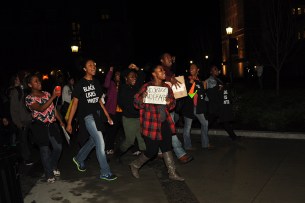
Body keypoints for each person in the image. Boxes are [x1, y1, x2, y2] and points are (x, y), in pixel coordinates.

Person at [129, 64, 184, 181]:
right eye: (160, 70)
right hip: (150, 125)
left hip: (164, 122)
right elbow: (136, 103)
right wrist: (143, 97)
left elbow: (173, 103)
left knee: (167, 147)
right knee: (152, 150)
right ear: (154, 74)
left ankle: (172, 173)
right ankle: (135, 164)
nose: (164, 72)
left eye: (163, 70)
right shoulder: (147, 86)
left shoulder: (166, 87)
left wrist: (169, 101)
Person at [66, 58, 117, 181]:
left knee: (94, 141)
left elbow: (99, 101)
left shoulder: (96, 83)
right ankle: (105, 171)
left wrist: (108, 116)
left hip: (98, 115)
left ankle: (78, 158)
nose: (93, 67)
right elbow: (75, 104)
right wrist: (69, 123)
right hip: (87, 117)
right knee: (100, 141)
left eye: (94, 65)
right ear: (85, 69)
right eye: (90, 65)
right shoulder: (80, 85)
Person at [25, 73, 64, 183]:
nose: (39, 83)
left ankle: (52, 165)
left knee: (58, 147)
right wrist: (53, 96)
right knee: (45, 150)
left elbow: (53, 109)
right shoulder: (29, 98)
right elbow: (41, 108)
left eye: (39, 80)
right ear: (30, 85)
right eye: (35, 81)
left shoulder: (46, 94)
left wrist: (61, 121)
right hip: (39, 126)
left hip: (51, 124)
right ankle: (49, 174)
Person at [160, 52, 193, 164]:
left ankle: (159, 151)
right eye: (167, 58)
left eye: (170, 57)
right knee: (171, 131)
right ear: (162, 60)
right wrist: (170, 79)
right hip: (163, 108)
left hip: (171, 107)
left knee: (166, 130)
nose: (170, 59)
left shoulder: (169, 71)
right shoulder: (161, 70)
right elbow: (158, 77)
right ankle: (180, 154)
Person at [115, 63, 146, 160]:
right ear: (126, 78)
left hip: (139, 117)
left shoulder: (137, 87)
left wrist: (137, 68)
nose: (134, 78)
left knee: (142, 140)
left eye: (135, 77)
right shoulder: (123, 87)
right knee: (129, 141)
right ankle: (118, 154)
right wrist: (128, 68)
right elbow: (121, 103)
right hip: (129, 119)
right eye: (131, 77)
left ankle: (146, 158)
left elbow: (142, 76)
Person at [182, 63, 214, 150]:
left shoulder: (200, 81)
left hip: (198, 108)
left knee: (205, 123)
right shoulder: (187, 80)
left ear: (197, 70)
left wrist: (204, 88)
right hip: (189, 107)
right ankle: (187, 146)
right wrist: (192, 84)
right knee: (187, 127)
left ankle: (205, 144)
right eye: (190, 68)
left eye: (193, 68)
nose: (191, 69)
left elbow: (202, 96)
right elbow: (190, 95)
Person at [205, 65, 239, 141]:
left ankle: (233, 136)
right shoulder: (208, 81)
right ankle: (203, 137)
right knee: (209, 122)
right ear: (211, 72)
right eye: (215, 69)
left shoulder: (219, 80)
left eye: (217, 69)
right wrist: (218, 89)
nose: (217, 70)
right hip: (213, 105)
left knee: (225, 120)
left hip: (220, 104)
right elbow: (209, 94)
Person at [9, 71, 34, 165]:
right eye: (18, 78)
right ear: (15, 80)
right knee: (23, 140)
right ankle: (25, 159)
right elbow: (13, 110)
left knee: (31, 137)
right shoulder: (15, 91)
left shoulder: (21, 89)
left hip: (28, 118)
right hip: (22, 120)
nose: (20, 79)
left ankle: (26, 156)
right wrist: (18, 124)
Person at [103, 67, 123, 155]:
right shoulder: (111, 83)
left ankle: (109, 146)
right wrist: (110, 71)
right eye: (116, 74)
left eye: (119, 75)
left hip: (120, 111)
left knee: (114, 131)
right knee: (109, 130)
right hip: (110, 110)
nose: (118, 76)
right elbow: (106, 84)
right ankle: (108, 147)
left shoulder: (122, 85)